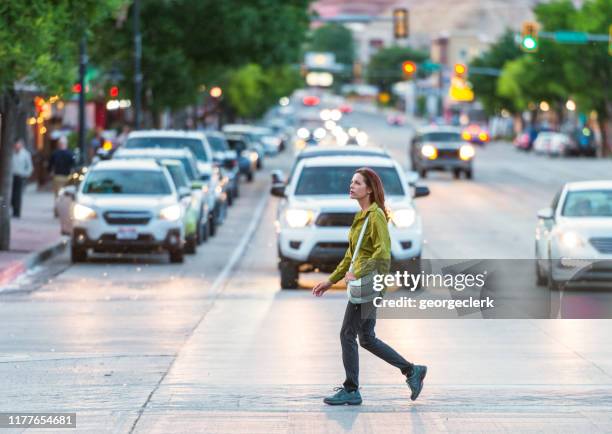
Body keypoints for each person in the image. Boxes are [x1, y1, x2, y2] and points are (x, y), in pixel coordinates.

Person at [312, 167, 427, 406]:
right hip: (366, 283)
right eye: (351, 182)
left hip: (369, 284)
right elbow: (351, 256)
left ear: (369, 189)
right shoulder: (362, 216)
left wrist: (359, 272)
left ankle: (351, 389)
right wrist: (331, 280)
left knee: (347, 334)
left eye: (357, 183)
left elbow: (383, 254)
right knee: (366, 338)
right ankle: (412, 371)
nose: (351, 186)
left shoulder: (375, 216)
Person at [48, 136, 76, 202]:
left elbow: (50, 165)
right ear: (66, 144)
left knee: (57, 194)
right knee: (67, 194)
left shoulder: (54, 153)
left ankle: (58, 208)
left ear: (59, 144)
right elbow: (74, 165)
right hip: (68, 177)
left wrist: (50, 172)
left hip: (58, 177)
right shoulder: (71, 154)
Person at [10, 139, 33, 218]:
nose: (17, 146)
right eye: (16, 145)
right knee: (12, 195)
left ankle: (17, 212)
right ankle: (13, 209)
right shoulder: (11, 153)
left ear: (21, 145)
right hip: (12, 176)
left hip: (20, 176)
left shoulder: (26, 154)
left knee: (18, 195)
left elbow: (29, 166)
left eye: (18, 145)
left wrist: (26, 174)